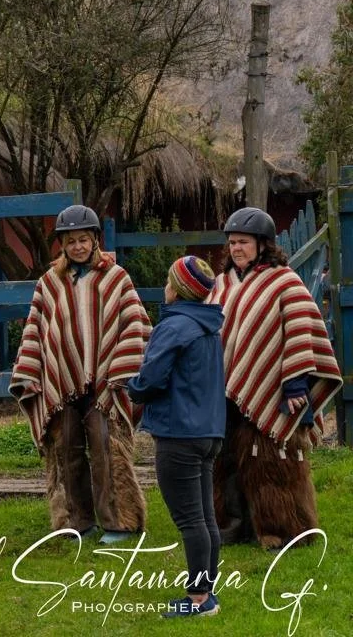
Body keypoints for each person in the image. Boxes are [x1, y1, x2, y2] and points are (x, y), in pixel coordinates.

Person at [9, 205, 149, 543]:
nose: (77, 247)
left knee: (107, 449)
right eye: (70, 241)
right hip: (63, 384)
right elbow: (35, 329)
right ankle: (76, 521)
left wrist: (118, 372)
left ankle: (119, 522)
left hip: (104, 383)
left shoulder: (117, 278)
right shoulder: (49, 282)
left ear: (95, 240)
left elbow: (134, 325)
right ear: (62, 244)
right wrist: (29, 371)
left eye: (83, 239)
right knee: (66, 449)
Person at [209, 207, 342, 549]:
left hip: (272, 388)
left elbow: (300, 329)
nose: (236, 248)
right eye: (232, 242)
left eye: (244, 242)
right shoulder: (222, 283)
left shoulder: (284, 281)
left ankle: (284, 530)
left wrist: (295, 382)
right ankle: (232, 526)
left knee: (268, 460)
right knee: (225, 460)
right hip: (223, 390)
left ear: (263, 244)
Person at [127, 256, 225, 619]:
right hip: (209, 432)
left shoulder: (174, 327)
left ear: (178, 289)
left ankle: (198, 600)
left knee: (190, 521)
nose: (165, 288)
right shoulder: (209, 327)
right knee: (206, 518)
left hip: (179, 435)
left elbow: (151, 379)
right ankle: (207, 594)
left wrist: (131, 389)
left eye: (169, 282)